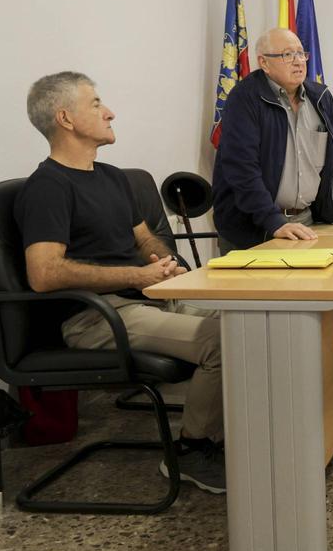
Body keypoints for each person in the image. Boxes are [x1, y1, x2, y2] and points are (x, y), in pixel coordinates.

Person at [15, 72, 225, 494]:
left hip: (145, 299)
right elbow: (44, 273)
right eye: (95, 104)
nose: (109, 111)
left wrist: (163, 261)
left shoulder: (112, 176)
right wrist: (136, 275)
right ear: (65, 118)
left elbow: (142, 235)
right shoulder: (47, 188)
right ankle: (190, 450)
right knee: (223, 339)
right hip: (97, 316)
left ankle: (248, 435)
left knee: (253, 317)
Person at [212, 27, 333, 251]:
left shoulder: (320, 98)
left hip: (307, 223)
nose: (298, 61)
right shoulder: (245, 98)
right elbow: (242, 169)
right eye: (287, 55)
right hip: (253, 228)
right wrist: (273, 222)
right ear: (264, 63)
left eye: (301, 53)